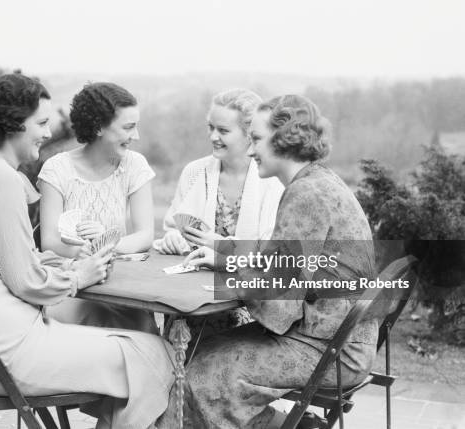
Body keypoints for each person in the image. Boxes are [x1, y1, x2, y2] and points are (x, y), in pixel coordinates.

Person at [0, 74, 174, 429]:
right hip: (10, 349)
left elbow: (13, 261)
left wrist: (58, 266)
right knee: (154, 353)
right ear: (13, 124)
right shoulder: (0, 179)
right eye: (41, 123)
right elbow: (24, 281)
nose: (49, 133)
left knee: (122, 324)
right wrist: (78, 275)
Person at [158, 95, 377, 429]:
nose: (250, 150)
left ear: (284, 140)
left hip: (335, 351)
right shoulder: (317, 181)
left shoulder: (306, 195)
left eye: (257, 140)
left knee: (202, 374)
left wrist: (230, 272)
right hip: (334, 338)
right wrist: (223, 259)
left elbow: (277, 306)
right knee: (200, 356)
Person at [156, 89, 284, 339]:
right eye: (210, 127)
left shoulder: (270, 180)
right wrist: (173, 237)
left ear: (249, 134)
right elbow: (174, 224)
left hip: (245, 303)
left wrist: (221, 247)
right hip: (189, 295)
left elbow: (271, 253)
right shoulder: (195, 171)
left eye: (223, 131)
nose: (213, 136)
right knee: (174, 344)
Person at [37, 82, 157, 331]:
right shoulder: (57, 170)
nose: (136, 136)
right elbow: (48, 242)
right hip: (74, 287)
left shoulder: (135, 165)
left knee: (143, 326)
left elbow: (145, 235)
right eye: (128, 127)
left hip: (121, 285)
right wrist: (82, 255)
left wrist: (106, 246)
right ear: (99, 126)